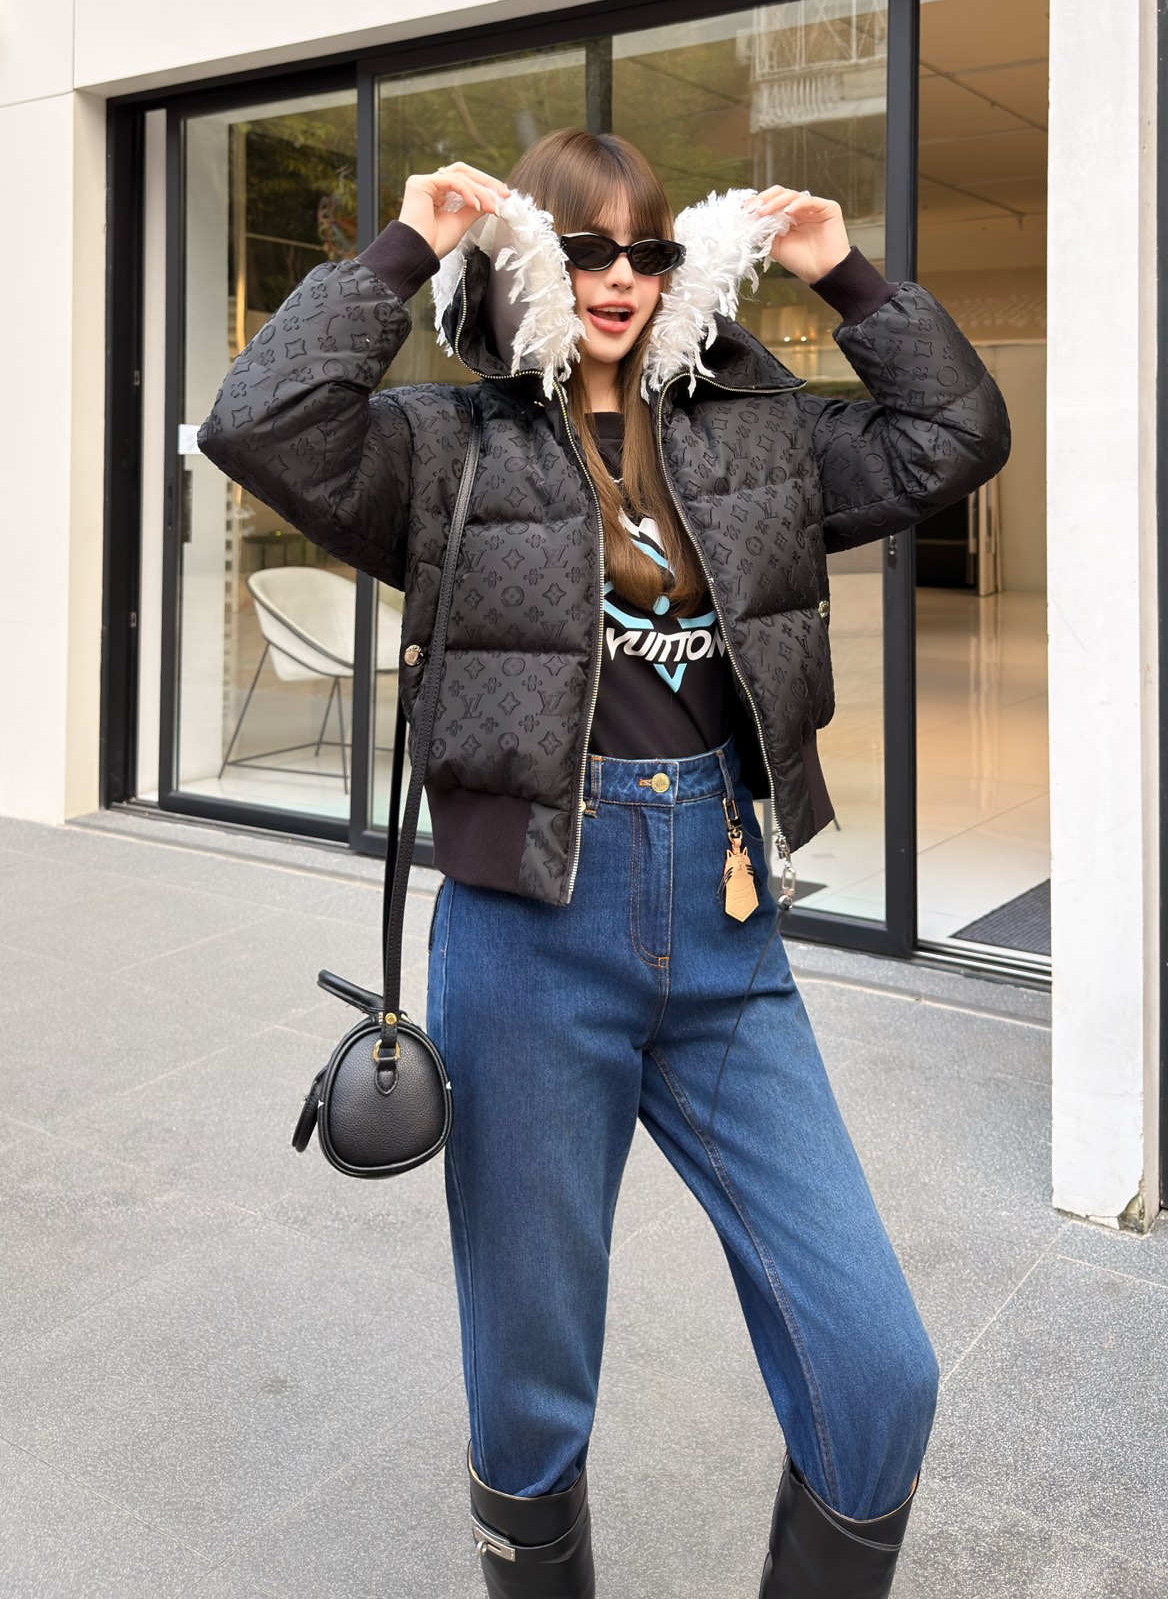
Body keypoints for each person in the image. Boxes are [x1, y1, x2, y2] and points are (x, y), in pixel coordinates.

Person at [198, 127, 1010, 1597]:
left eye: (647, 250)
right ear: (532, 259)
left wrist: (843, 273)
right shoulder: (442, 448)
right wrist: (409, 246)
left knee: (877, 1364)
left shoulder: (755, 433)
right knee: (530, 1385)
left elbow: (953, 437)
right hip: (529, 933)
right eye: (584, 248)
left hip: (724, 923)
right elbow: (258, 421)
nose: (619, 277)